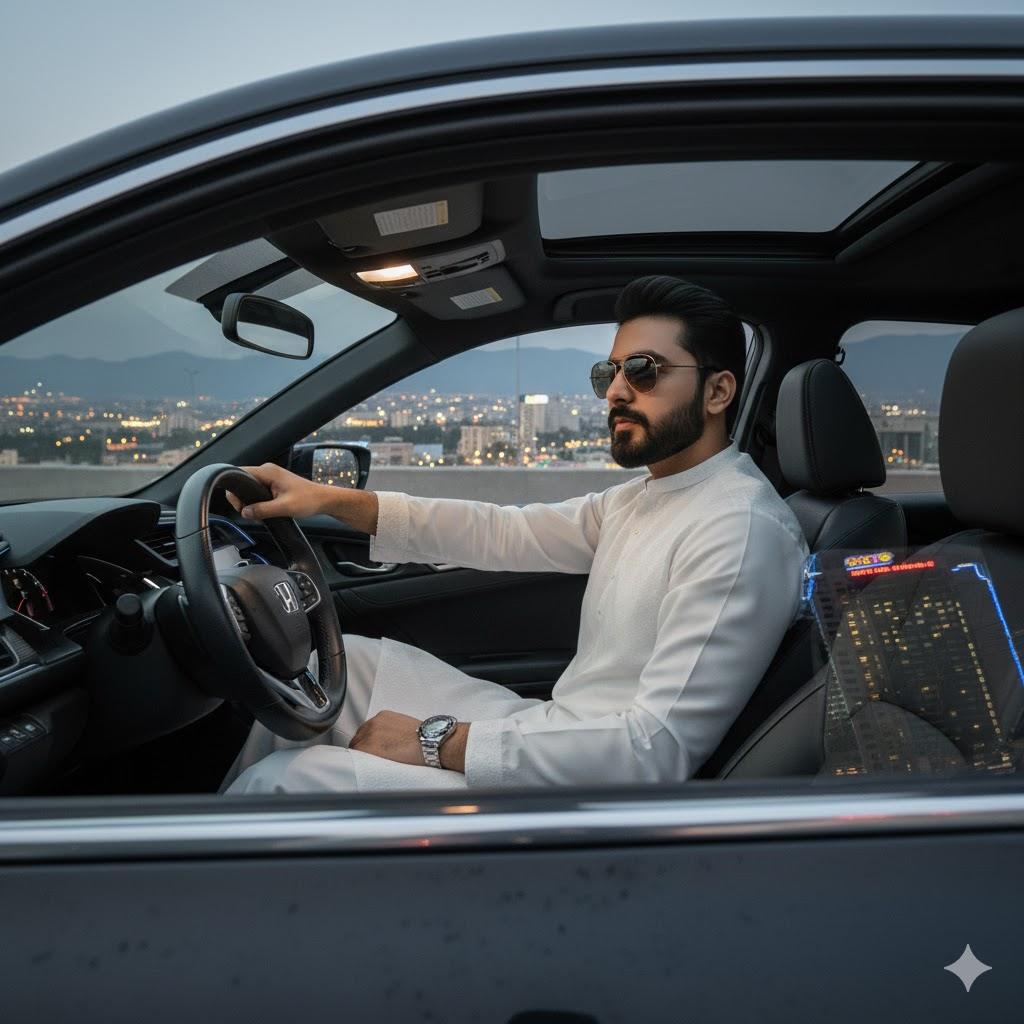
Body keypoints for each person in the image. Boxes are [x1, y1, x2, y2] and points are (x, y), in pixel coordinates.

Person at [221, 275, 808, 794]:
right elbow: (501, 530)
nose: (616, 392)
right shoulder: (648, 497)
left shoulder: (738, 532)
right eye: (609, 371)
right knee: (335, 668)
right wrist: (327, 499)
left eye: (643, 371)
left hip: (590, 792)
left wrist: (437, 742)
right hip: (556, 733)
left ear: (719, 392)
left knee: (278, 785)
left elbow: (651, 752)